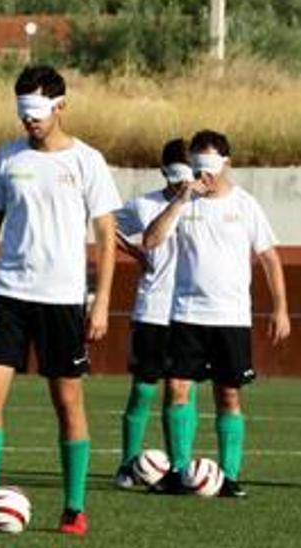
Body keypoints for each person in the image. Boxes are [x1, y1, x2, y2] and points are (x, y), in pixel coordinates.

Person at [0, 65, 120, 536]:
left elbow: (106, 237)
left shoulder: (87, 161)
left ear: (60, 106)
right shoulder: (7, 158)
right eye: (22, 111)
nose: (29, 121)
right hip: (9, 293)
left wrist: (101, 301)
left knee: (67, 401)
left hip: (62, 300)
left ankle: (74, 507)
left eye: (37, 111)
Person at [141, 130, 290, 498]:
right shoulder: (183, 201)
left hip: (231, 318)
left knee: (229, 396)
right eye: (196, 166)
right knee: (176, 389)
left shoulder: (246, 205)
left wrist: (280, 308)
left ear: (226, 163)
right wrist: (181, 199)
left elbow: (269, 257)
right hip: (187, 314)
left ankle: (230, 475)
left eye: (208, 165)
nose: (202, 174)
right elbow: (150, 240)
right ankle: (177, 472)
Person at [112, 138, 195, 488]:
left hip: (190, 310)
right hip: (152, 308)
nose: (180, 182)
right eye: (174, 174)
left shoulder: (201, 204)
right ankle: (128, 464)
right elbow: (105, 223)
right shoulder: (144, 205)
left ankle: (180, 467)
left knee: (180, 389)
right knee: (144, 387)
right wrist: (134, 252)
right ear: (164, 172)